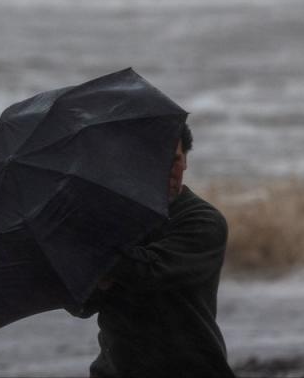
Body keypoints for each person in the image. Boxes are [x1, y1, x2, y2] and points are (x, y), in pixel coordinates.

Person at [68, 123, 236, 378]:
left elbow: (150, 271)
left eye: (175, 160)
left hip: (190, 368)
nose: (166, 170)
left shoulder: (203, 220)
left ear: (186, 161)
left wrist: (97, 250)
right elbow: (81, 306)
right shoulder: (114, 221)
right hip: (115, 369)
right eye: (155, 160)